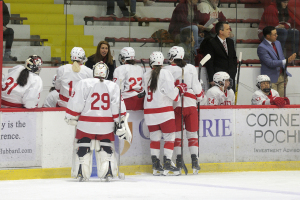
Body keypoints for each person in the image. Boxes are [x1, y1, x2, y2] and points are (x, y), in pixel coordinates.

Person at [65, 62, 132, 182]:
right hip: (106, 126)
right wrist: (119, 122)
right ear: (106, 73)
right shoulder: (113, 86)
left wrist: (71, 116)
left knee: (83, 147)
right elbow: (117, 106)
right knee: (106, 148)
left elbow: (76, 104)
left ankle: (81, 171)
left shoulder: (83, 83)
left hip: (85, 124)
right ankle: (108, 170)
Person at [143, 51, 187, 176]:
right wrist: (179, 89)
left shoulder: (146, 74)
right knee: (169, 138)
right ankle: (167, 162)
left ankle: (156, 166)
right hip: (164, 112)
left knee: (154, 138)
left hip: (149, 113)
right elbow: (172, 94)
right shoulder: (166, 73)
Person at [164, 46, 203, 174]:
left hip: (175, 105)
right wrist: (201, 97)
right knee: (192, 134)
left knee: (177, 135)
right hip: (191, 105)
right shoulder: (191, 68)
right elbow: (197, 88)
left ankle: (179, 160)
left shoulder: (166, 69)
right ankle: (195, 161)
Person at [257, 26, 296, 97]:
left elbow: (281, 57)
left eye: (276, 34)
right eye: (274, 34)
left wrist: (285, 72)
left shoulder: (277, 43)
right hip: (270, 78)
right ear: (268, 36)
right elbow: (270, 63)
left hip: (282, 76)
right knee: (272, 101)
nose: (276, 36)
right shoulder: (261, 47)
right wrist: (287, 60)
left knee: (281, 100)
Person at [205, 21, 237, 91]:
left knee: (230, 98)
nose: (229, 31)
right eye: (227, 29)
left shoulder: (230, 42)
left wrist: (233, 71)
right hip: (218, 78)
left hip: (230, 77)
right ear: (221, 31)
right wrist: (211, 78)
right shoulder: (211, 43)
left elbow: (234, 58)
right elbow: (209, 62)